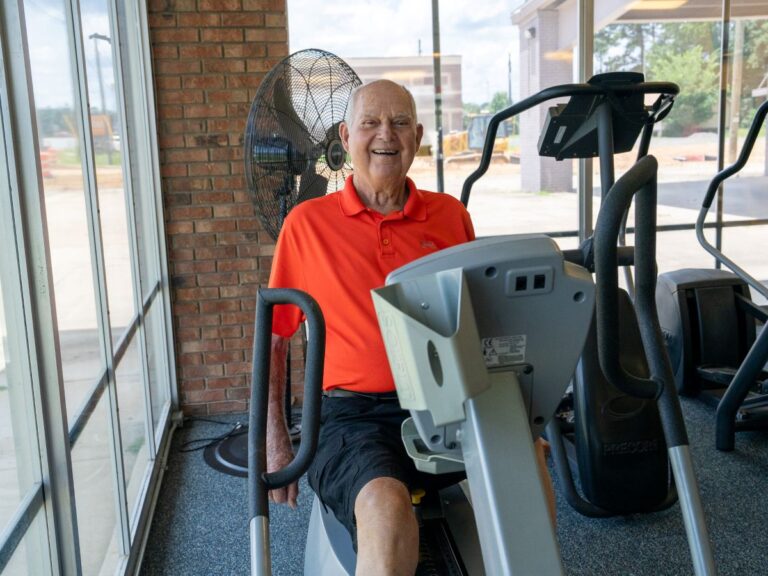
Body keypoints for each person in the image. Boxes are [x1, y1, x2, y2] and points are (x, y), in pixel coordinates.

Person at [265, 79, 552, 576]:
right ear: (345, 135)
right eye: (370, 123)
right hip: (353, 416)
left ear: (416, 137)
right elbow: (273, 341)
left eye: (399, 123)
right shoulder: (306, 225)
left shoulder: (449, 216)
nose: (386, 135)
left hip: (448, 403)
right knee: (385, 507)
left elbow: (477, 321)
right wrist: (274, 439)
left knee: (528, 460)